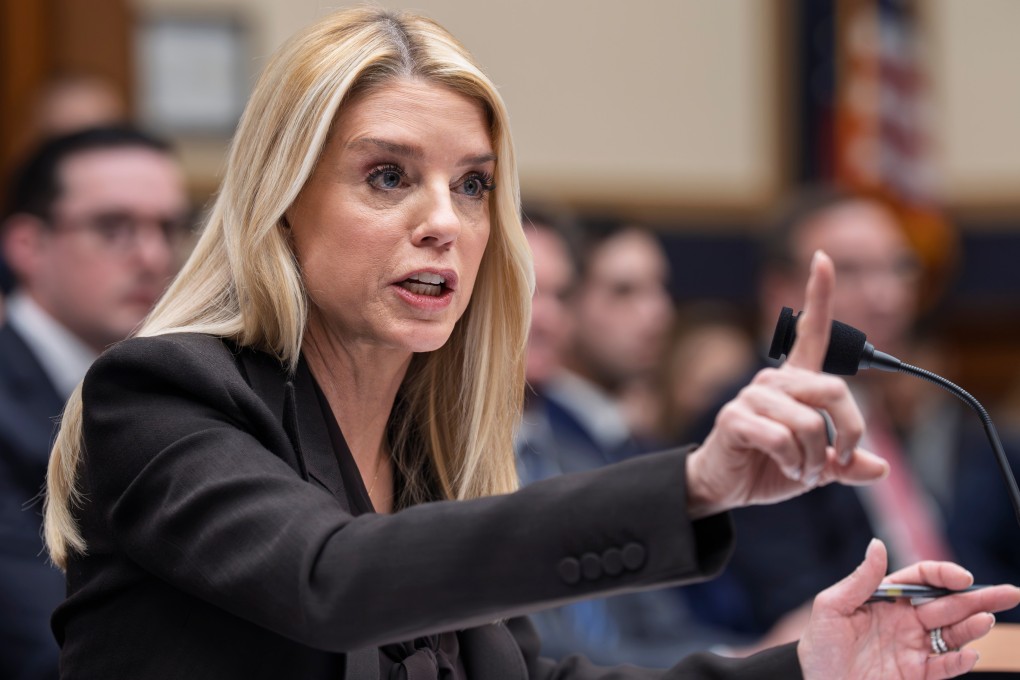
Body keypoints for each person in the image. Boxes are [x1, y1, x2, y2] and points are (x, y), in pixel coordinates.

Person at [42, 8, 1017, 679]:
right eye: (387, 176)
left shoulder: (429, 455)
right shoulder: (163, 396)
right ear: (280, 205)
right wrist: (694, 483)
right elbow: (332, 578)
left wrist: (810, 664)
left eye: (471, 184)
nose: (445, 222)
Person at [0, 125, 189, 680]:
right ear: (28, 247)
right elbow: (45, 651)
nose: (154, 256)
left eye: (168, 227)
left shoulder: (175, 387)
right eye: (113, 227)